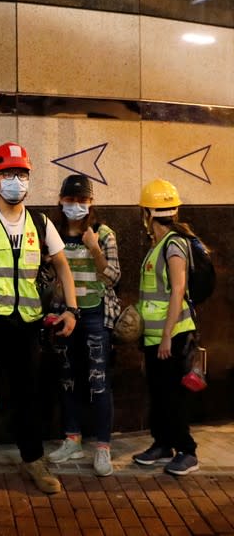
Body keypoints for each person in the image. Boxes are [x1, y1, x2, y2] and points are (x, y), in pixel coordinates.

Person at [0, 141, 78, 495]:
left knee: (29, 397)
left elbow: (62, 267)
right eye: (8, 173)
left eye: (21, 174)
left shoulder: (40, 223)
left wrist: (71, 309)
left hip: (28, 326)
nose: (15, 180)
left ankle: (33, 460)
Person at [46, 175, 121, 477]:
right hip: (64, 315)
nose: (76, 205)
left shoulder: (103, 234)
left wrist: (94, 249)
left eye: (82, 200)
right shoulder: (54, 234)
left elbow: (113, 277)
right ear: (61, 201)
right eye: (70, 200)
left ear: (91, 203)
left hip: (95, 316)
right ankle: (72, 439)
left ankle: (103, 447)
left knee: (98, 381)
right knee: (68, 379)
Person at [132, 179, 199, 475]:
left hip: (173, 334)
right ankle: (162, 444)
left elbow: (177, 289)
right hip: (154, 335)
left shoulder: (173, 244)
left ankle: (187, 451)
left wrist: (167, 337)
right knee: (158, 393)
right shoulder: (157, 244)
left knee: (173, 395)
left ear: (147, 212)